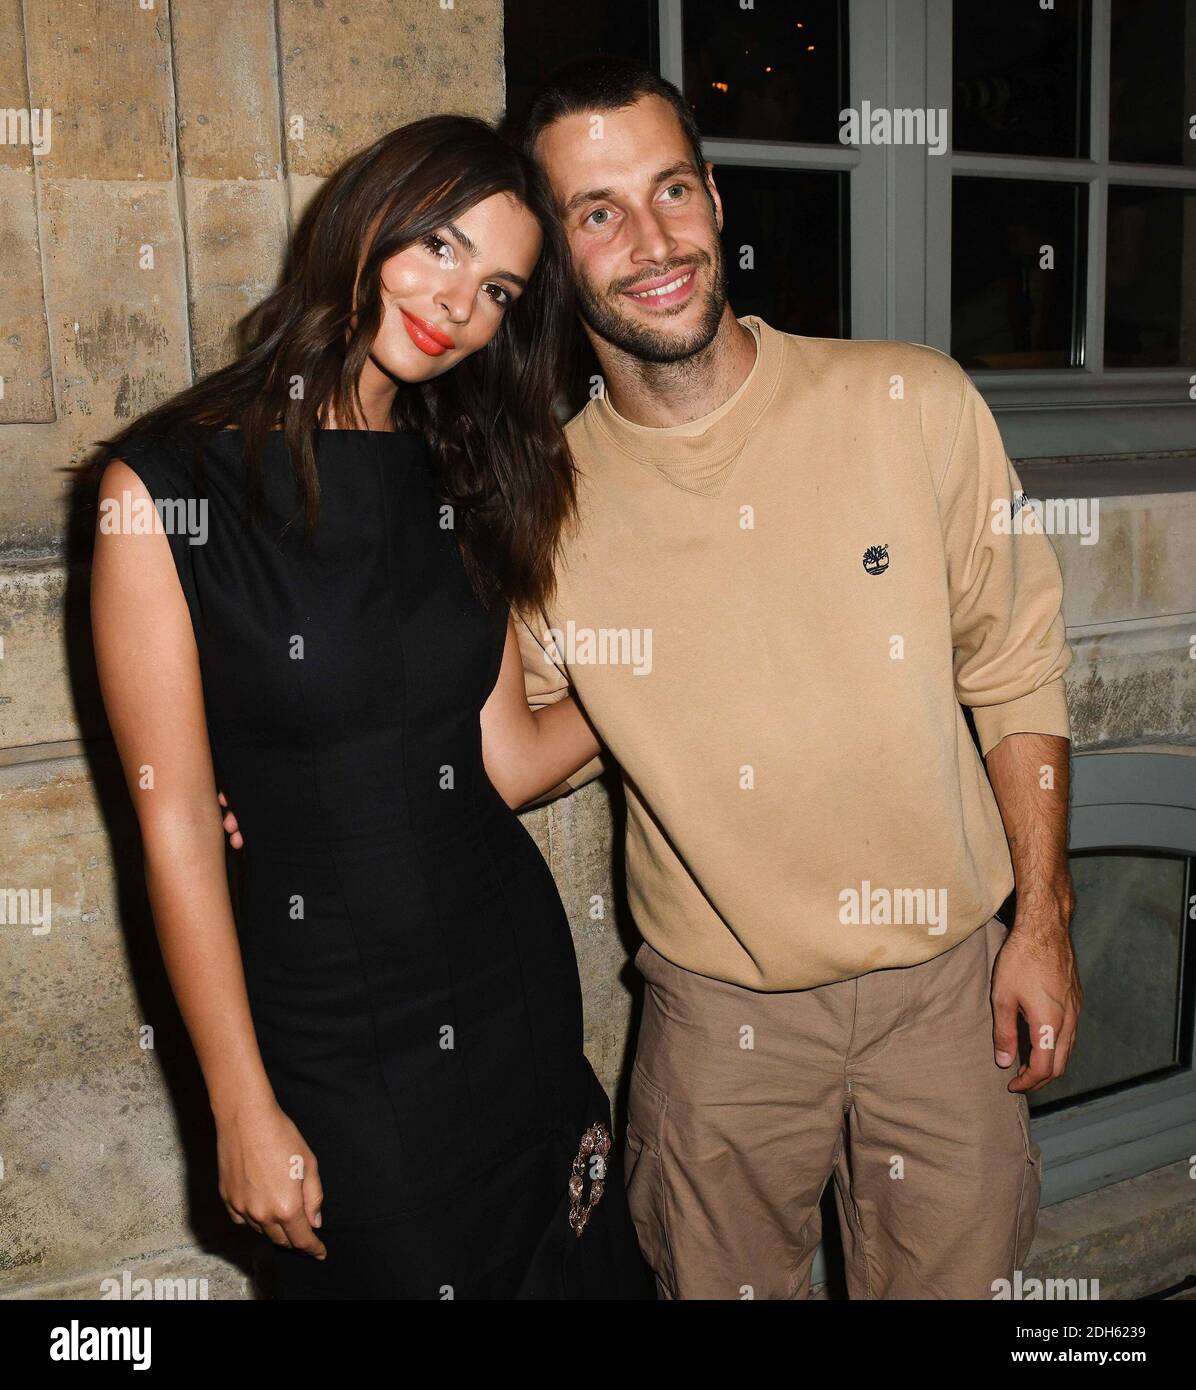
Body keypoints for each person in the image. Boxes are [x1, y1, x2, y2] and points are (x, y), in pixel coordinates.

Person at [504, 57, 1082, 1299]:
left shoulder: (908, 400)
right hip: (719, 1021)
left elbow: (1016, 667)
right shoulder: (540, 502)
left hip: (946, 989)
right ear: (556, 258)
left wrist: (1039, 919)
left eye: (670, 190)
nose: (651, 239)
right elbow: (504, 744)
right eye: (596, 211)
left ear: (714, 198)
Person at [90, 114, 651, 1300]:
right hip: (330, 1028)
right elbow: (178, 823)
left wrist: (660, 681)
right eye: (439, 246)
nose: (460, 304)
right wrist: (239, 1106)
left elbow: (499, 756)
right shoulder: (164, 488)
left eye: (498, 286)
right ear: (361, 225)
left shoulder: (464, 469)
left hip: (510, 991)